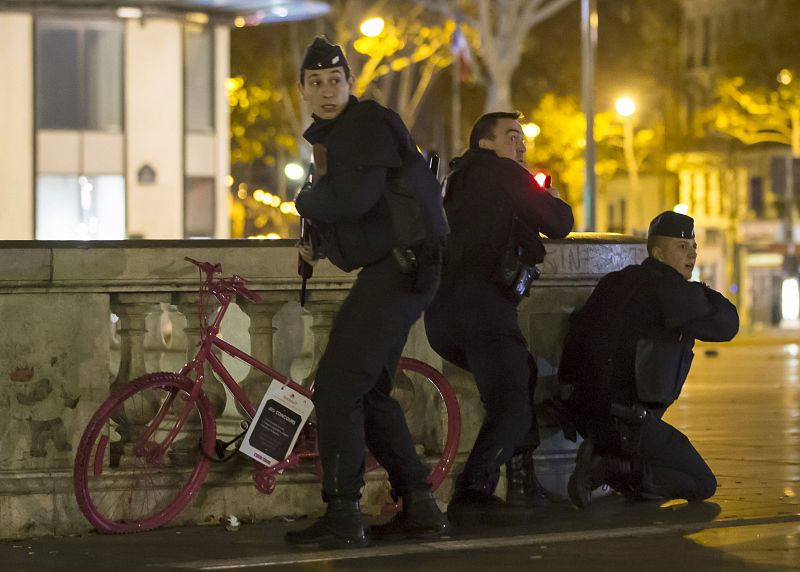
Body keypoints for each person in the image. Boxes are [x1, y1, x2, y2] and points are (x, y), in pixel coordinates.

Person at [284, 36, 450, 549]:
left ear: (350, 84)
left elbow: (352, 200)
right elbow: (363, 211)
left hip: (401, 271)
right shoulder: (341, 136)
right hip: (401, 269)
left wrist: (302, 199)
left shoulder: (366, 124)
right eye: (316, 82)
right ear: (304, 92)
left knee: (336, 386)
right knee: (370, 390)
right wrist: (320, 237)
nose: (327, 89)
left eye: (336, 80)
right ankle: (419, 505)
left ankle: (342, 513)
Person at [424, 111, 574, 526]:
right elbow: (560, 223)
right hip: (483, 310)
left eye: (522, 138)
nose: (520, 145)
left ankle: (524, 483)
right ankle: (473, 490)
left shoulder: (454, 180)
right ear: (485, 144)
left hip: (442, 319)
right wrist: (551, 197)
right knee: (511, 404)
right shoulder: (504, 173)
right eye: (511, 137)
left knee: (518, 375)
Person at [559, 211, 739, 507]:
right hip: (628, 421)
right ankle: (609, 468)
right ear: (657, 253)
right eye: (681, 247)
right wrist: (703, 291)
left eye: (693, 246)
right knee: (702, 484)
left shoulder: (615, 281)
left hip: (582, 412)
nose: (692, 253)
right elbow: (727, 325)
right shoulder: (671, 290)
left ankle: (607, 457)